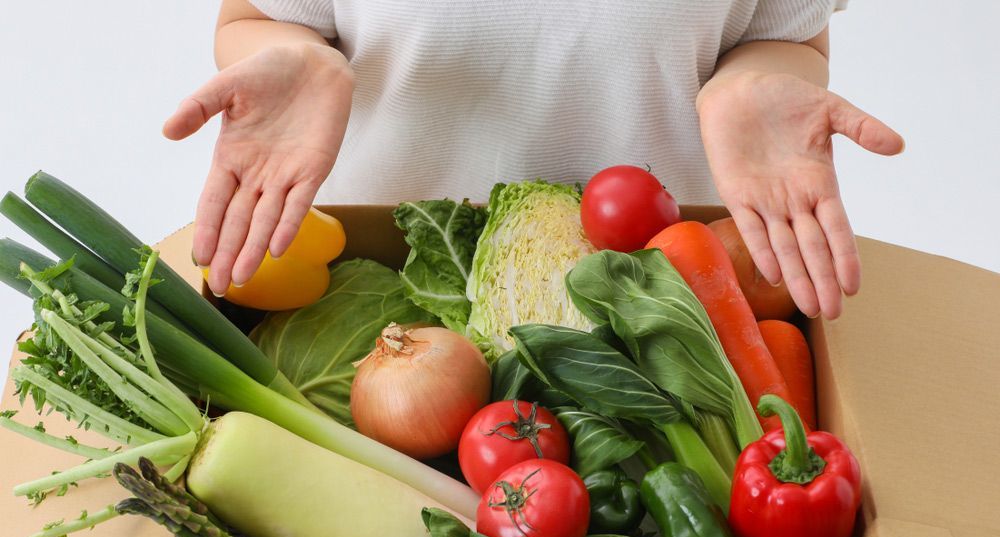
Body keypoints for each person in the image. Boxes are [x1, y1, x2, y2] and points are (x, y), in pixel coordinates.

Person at [163, 0, 903, 319]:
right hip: (390, 293)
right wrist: (292, 53)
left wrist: (748, 83)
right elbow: (256, 16)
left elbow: (786, 35)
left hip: (659, 299)